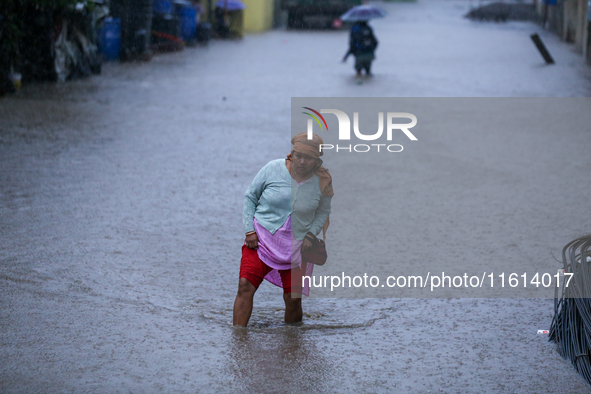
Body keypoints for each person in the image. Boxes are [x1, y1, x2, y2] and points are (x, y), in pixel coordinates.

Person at [233, 133, 333, 327]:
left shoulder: (322, 180)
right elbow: (250, 197)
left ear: (317, 160)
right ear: (291, 154)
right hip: (260, 240)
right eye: (298, 156)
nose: (302, 161)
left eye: (308, 158)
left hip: (297, 247)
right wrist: (249, 231)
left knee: (293, 298)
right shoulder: (272, 169)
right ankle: (238, 338)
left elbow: (323, 211)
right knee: (245, 286)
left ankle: (292, 342)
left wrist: (311, 235)